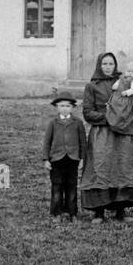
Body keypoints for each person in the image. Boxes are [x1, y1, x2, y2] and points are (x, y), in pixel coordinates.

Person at [80, 52, 133, 223]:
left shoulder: (124, 82)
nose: (107, 67)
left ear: (115, 66)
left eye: (111, 64)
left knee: (123, 169)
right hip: (102, 134)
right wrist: (110, 117)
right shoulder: (92, 86)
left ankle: (121, 210)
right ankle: (99, 211)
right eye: (104, 64)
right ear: (99, 65)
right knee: (101, 169)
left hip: (124, 133)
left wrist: (128, 112)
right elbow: (87, 113)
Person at [43, 91, 85, 222]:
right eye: (61, 106)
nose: (64, 108)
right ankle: (57, 213)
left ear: (72, 108)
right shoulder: (53, 123)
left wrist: (82, 158)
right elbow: (47, 142)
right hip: (57, 160)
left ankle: (72, 212)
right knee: (57, 186)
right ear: (56, 107)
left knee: (71, 186)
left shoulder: (77, 123)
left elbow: (83, 141)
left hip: (73, 159)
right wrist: (46, 159)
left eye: (67, 106)